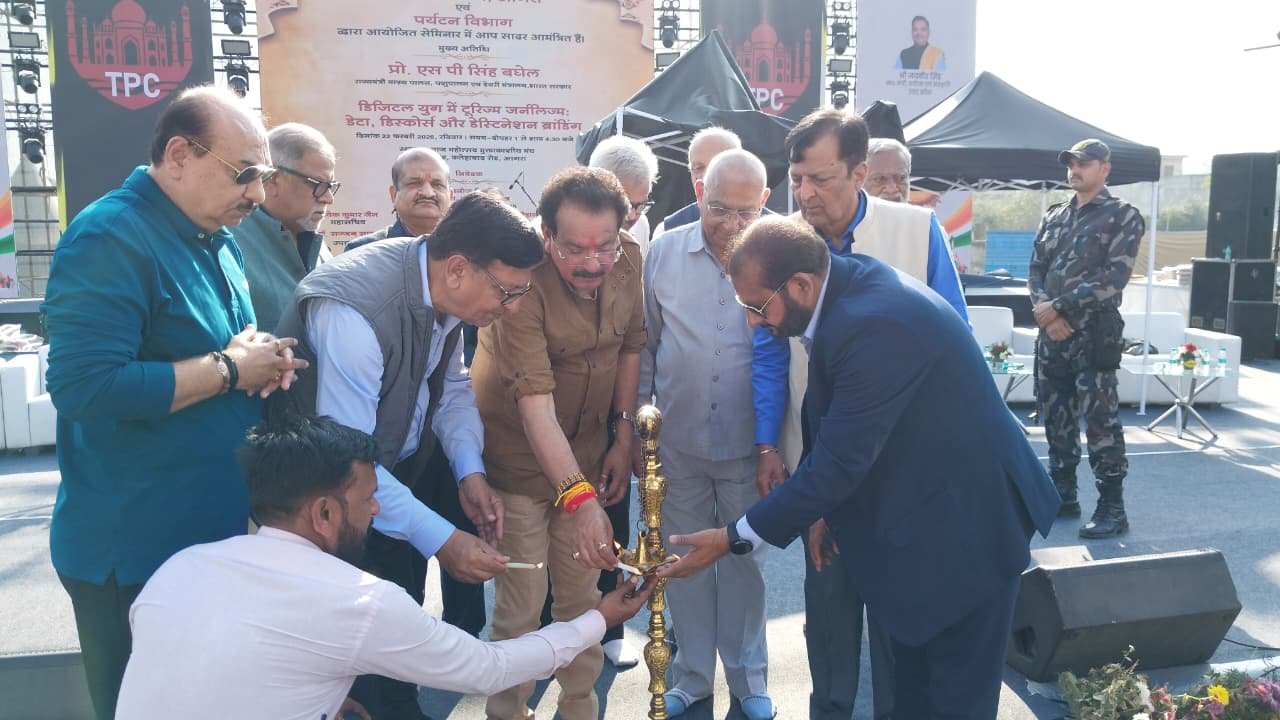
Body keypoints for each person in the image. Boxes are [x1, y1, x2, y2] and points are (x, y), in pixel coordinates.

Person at [659, 216, 1061, 720]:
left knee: (953, 701)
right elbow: (839, 425)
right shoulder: (846, 290)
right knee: (915, 695)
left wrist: (733, 537)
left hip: (969, 533)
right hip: (927, 520)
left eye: (757, 307)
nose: (752, 323)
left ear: (802, 284)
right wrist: (827, 508)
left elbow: (840, 461)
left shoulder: (873, 321)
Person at [40, 85, 307, 719]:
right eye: (245, 175)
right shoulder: (110, 237)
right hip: (134, 552)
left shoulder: (215, 235)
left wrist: (256, 357)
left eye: (264, 176)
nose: (258, 195)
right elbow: (85, 388)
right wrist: (227, 368)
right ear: (180, 154)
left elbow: (220, 348)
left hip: (204, 537)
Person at [114, 414, 656, 720]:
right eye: (369, 499)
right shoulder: (359, 602)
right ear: (324, 513)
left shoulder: (180, 568)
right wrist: (601, 615)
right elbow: (489, 670)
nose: (377, 511)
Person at [272, 191, 544, 720]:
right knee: (353, 675)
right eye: (507, 293)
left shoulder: (440, 287)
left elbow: (452, 387)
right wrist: (443, 540)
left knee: (395, 645)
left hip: (389, 486)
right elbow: (349, 462)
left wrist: (470, 472)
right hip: (325, 509)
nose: (510, 308)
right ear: (461, 268)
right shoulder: (357, 310)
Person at [750, 108, 967, 720]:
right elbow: (767, 358)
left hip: (906, 474)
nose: (807, 193)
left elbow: (955, 347)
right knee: (831, 628)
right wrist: (770, 446)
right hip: (821, 469)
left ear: (862, 172)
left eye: (821, 178)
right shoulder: (780, 241)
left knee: (903, 636)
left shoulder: (916, 231)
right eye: (797, 179)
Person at [471, 167, 645, 720]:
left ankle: (578, 709)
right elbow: (535, 406)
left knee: (580, 599)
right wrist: (581, 500)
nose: (593, 262)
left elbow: (630, 348)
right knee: (521, 607)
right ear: (546, 236)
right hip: (518, 466)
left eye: (605, 246)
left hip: (591, 453)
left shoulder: (631, 261)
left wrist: (622, 437)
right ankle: (506, 712)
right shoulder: (520, 282)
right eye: (574, 249)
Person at [639, 150, 775, 719]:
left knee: (744, 562)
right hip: (678, 445)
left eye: (748, 212)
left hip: (748, 448)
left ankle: (749, 681)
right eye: (720, 209)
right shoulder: (663, 254)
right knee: (683, 561)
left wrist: (775, 445)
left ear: (765, 203)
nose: (734, 225)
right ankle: (693, 676)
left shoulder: (777, 255)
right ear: (698, 192)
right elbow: (646, 345)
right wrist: (640, 436)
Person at [1029, 139, 1144, 539]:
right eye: (1071, 163)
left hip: (1093, 334)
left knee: (1100, 421)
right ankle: (1063, 494)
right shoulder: (1054, 215)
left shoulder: (1123, 216)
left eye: (1085, 163)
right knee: (1056, 418)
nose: (1075, 169)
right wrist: (1047, 315)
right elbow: (1035, 270)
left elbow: (1113, 281)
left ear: (1105, 169)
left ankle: (1112, 507)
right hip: (1054, 336)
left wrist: (1058, 307)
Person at [231, 122, 337, 332]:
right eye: (317, 184)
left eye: (331, 186)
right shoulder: (230, 243)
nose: (328, 198)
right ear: (271, 180)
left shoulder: (315, 243)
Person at [347, 147, 454, 251]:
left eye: (437, 184)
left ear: (451, 196)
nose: (427, 193)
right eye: (414, 183)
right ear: (394, 194)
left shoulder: (467, 248)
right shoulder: (364, 251)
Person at [657, 126, 743, 234]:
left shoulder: (768, 228)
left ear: (739, 169)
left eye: (716, 166)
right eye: (698, 168)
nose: (706, 175)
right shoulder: (668, 230)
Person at [589, 135, 658, 256]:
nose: (632, 216)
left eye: (641, 205)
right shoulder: (563, 227)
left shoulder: (641, 225)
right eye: (625, 205)